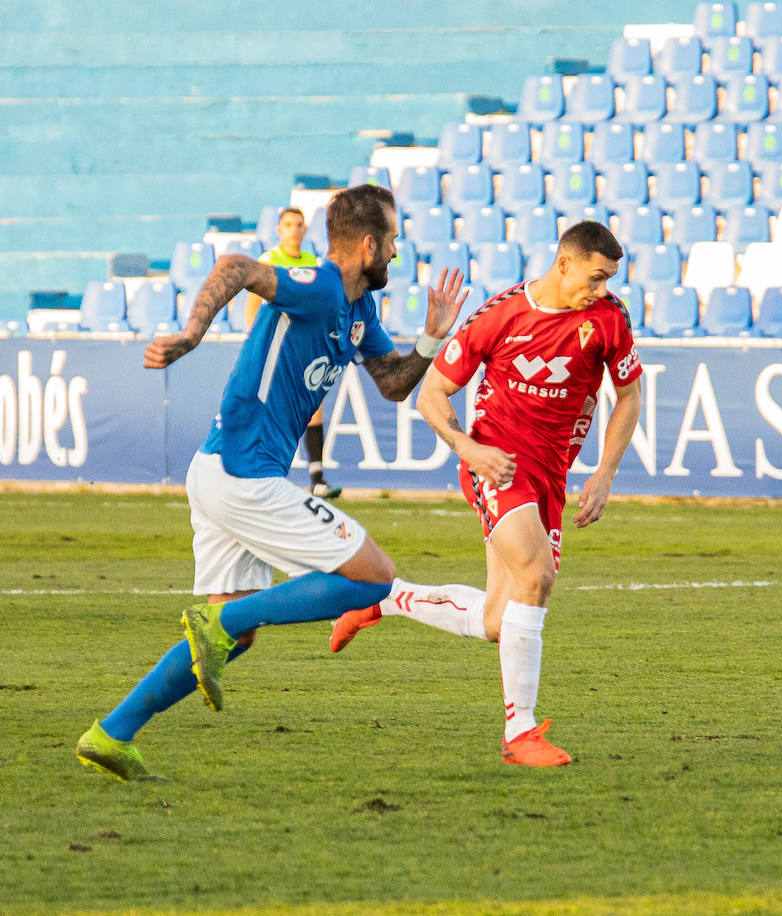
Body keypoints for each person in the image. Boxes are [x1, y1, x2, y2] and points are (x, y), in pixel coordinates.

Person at [75, 184, 479, 781]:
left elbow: (393, 384)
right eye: (392, 239)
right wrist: (191, 335)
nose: (396, 252)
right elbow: (236, 267)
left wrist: (431, 337)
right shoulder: (316, 286)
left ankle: (111, 734)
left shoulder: (358, 310)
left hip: (217, 472)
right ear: (368, 243)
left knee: (235, 637)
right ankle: (221, 626)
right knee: (374, 579)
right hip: (244, 474)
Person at [328, 220, 643, 767]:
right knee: (536, 575)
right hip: (496, 464)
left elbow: (630, 396)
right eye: (595, 277)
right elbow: (432, 394)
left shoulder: (609, 318)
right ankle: (520, 732)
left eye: (609, 280)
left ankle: (382, 598)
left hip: (550, 474)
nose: (602, 289)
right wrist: (466, 449)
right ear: (564, 263)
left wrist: (604, 474)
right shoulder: (502, 316)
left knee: (499, 620)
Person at [245, 206, 341, 499]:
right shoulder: (269, 260)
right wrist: (253, 343)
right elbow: (252, 303)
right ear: (279, 229)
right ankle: (257, 473)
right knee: (270, 409)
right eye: (288, 224)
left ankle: (317, 478)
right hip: (274, 346)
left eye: (299, 224)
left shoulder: (313, 262)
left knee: (313, 409)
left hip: (302, 345)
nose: (294, 229)